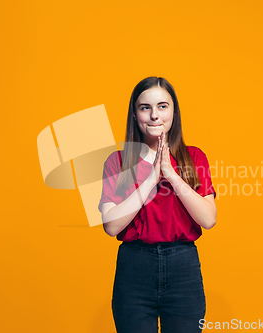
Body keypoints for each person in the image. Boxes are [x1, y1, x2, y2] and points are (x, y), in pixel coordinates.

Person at [98, 76, 217, 333]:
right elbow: (111, 225)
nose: (154, 115)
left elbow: (208, 219)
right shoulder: (116, 161)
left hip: (183, 267)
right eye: (145, 107)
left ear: (174, 112)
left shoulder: (194, 157)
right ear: (134, 115)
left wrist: (170, 174)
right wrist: (151, 178)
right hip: (134, 269)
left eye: (163, 106)